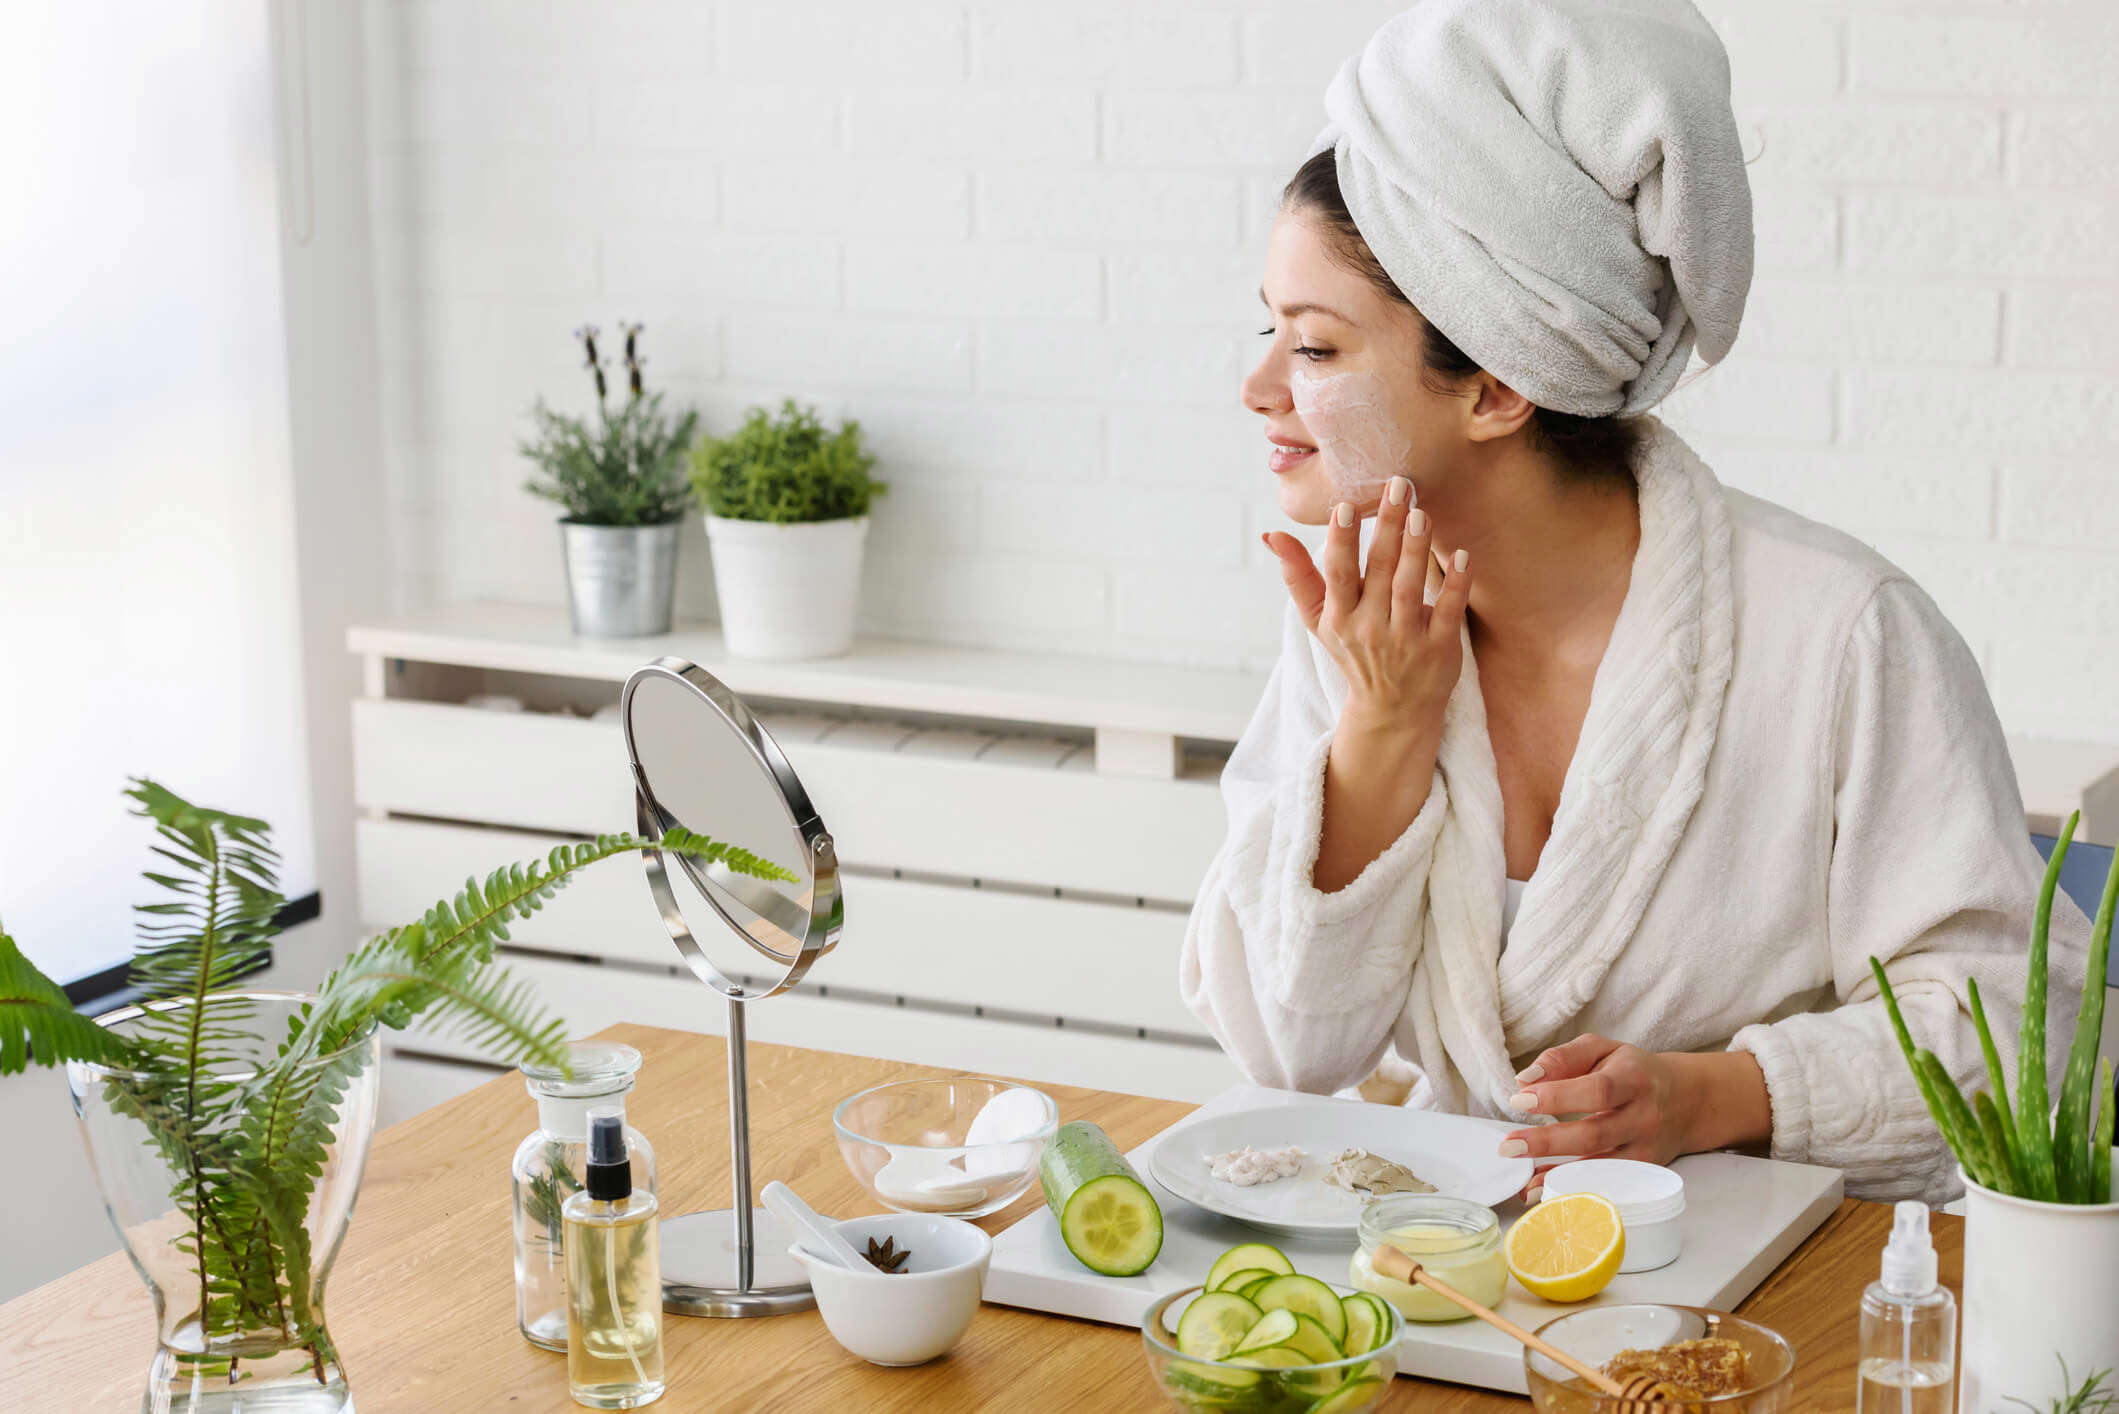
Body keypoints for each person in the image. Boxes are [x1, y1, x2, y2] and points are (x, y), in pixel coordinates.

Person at [1178, 0, 2090, 1204]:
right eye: (1269, 329)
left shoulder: (1840, 635)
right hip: (1455, 1264)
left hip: (1778, 1287)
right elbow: (1289, 1047)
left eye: (1312, 346)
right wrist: (1382, 727)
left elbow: (2026, 1037)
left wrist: (1715, 1094)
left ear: (1496, 387)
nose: (1256, 387)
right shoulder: (1367, 626)